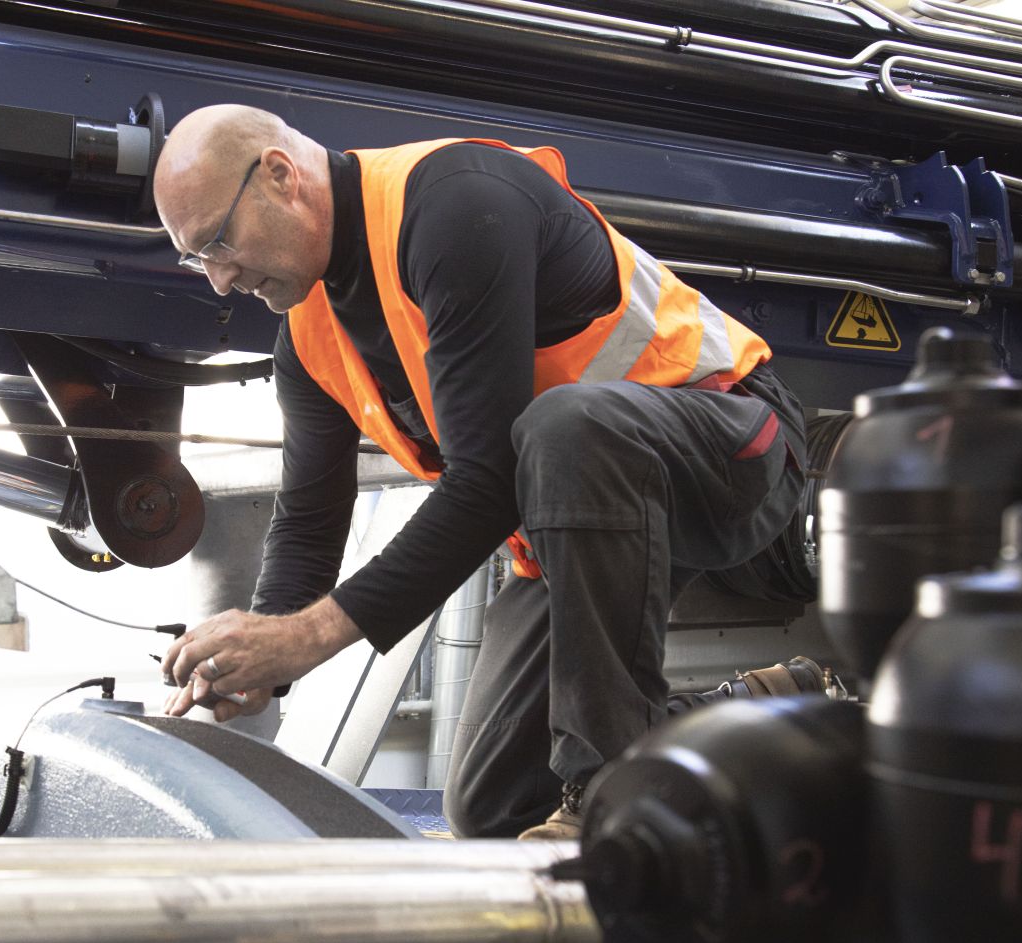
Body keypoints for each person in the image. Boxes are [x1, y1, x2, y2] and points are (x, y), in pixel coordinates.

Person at [153, 104, 806, 839]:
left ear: (279, 175)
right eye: (194, 256)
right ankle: (767, 708)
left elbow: (488, 480)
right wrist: (261, 656)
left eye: (217, 241)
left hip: (733, 445)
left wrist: (312, 637)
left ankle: (606, 792)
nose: (217, 278)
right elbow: (307, 523)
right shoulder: (305, 343)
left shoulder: (453, 205)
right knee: (492, 805)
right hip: (581, 519)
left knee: (562, 424)